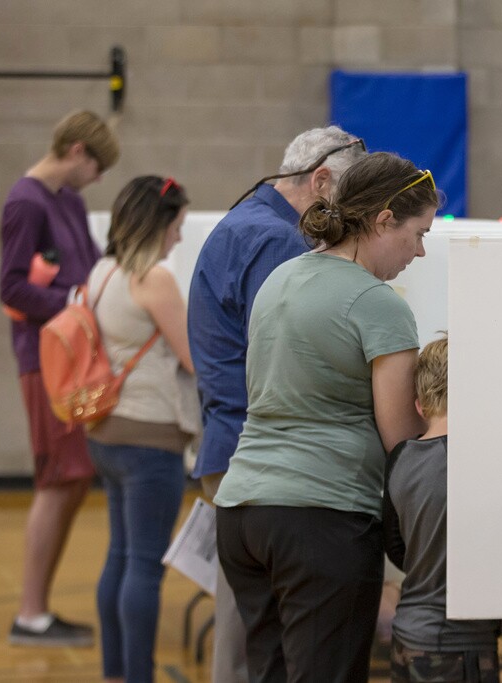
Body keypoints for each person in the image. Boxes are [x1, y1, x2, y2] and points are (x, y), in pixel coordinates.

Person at [215, 151, 439, 682]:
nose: (422, 251)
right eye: (419, 233)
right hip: (320, 517)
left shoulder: (281, 278)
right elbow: (400, 440)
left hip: (242, 510)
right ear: (384, 221)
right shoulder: (377, 302)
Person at [187, 125, 366, 682]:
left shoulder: (244, 223)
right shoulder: (279, 240)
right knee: (260, 651)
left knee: (248, 644)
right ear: (319, 181)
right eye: (349, 196)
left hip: (235, 449)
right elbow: (294, 355)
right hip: (260, 456)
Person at [0, 110, 119, 647]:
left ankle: (38, 610)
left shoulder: (68, 200)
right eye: (96, 165)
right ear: (75, 150)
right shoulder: (25, 201)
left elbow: (90, 270)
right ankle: (30, 614)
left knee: (73, 478)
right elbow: (11, 288)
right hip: (46, 357)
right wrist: (70, 301)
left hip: (76, 354)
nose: (97, 178)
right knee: (57, 479)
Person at [85, 175, 194, 683]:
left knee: (121, 556)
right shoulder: (154, 279)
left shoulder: (102, 271)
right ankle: (138, 677)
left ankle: (115, 672)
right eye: (177, 226)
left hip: (105, 433)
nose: (178, 237)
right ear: (160, 222)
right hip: (150, 439)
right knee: (145, 566)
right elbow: (196, 359)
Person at [383, 334, 502, 682]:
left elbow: (395, 546)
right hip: (457, 644)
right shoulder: (481, 462)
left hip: (407, 634)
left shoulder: (400, 458)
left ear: (419, 406)